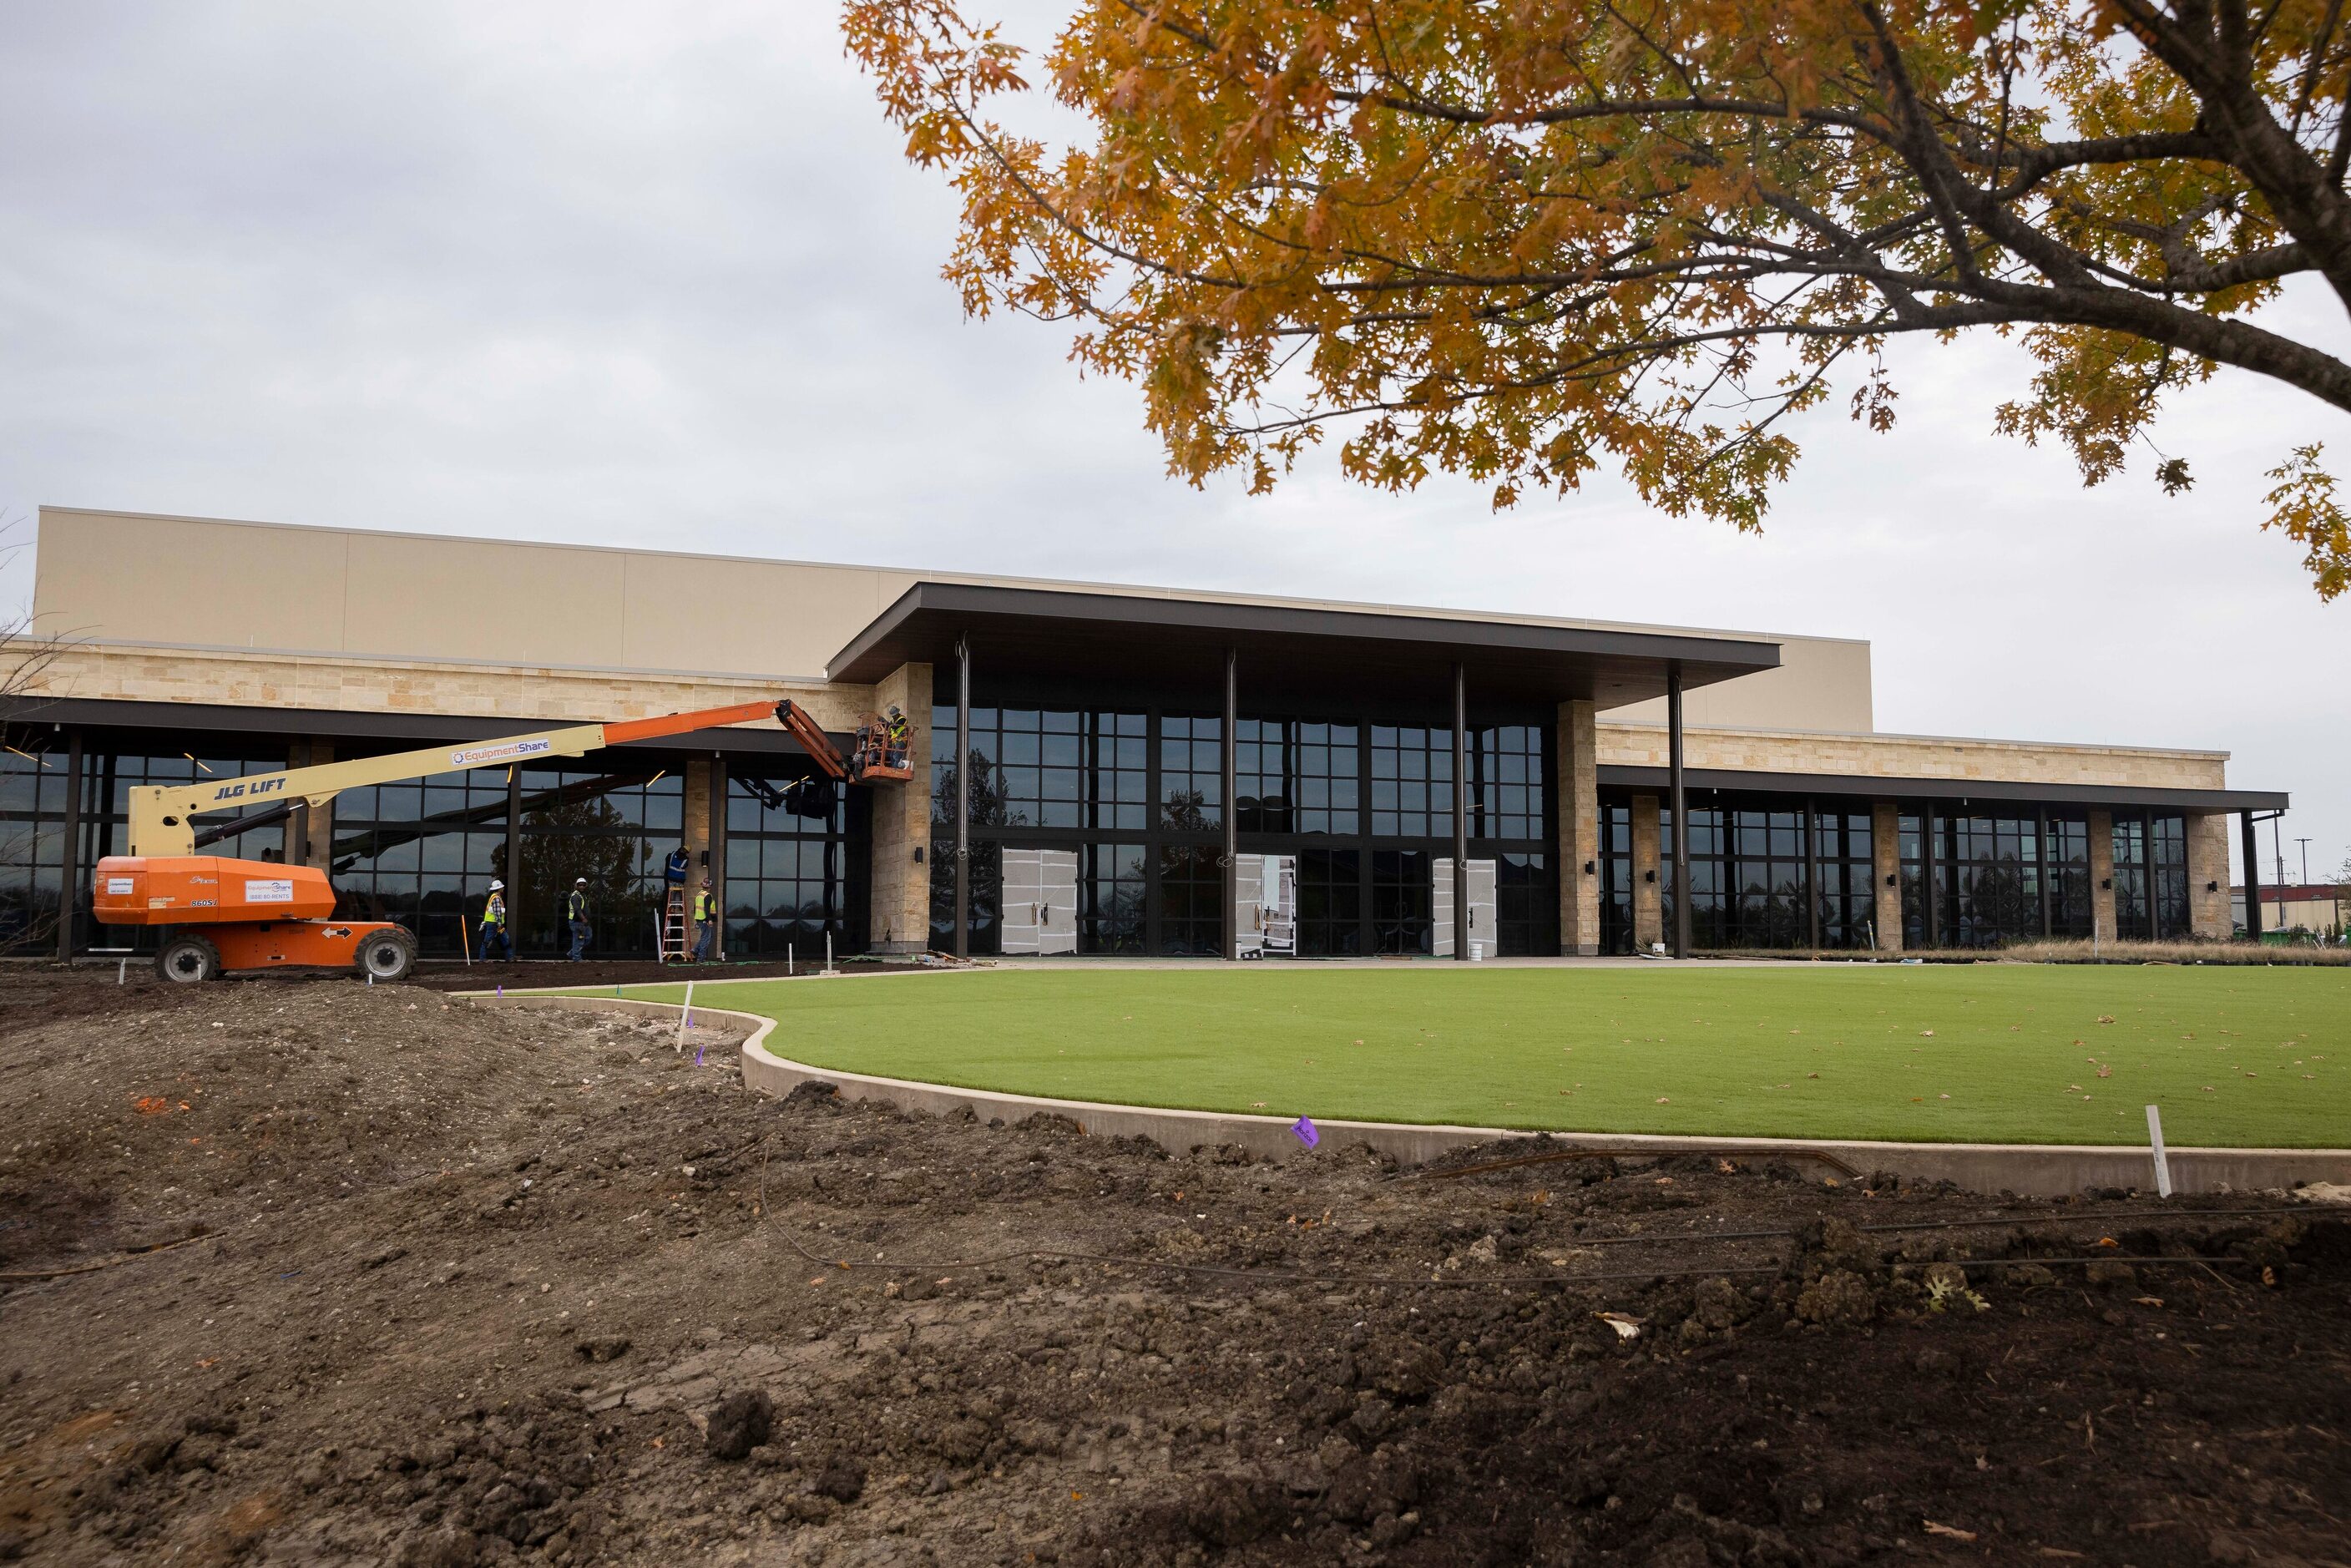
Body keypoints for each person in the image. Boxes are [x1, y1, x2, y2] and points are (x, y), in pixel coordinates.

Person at [479, 879, 512, 962]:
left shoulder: (494, 897)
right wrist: (499, 922)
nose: (503, 888)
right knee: (488, 941)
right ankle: (482, 958)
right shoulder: (496, 898)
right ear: (499, 889)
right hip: (494, 923)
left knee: (505, 938)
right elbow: (497, 911)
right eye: (502, 887)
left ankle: (510, 957)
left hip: (493, 923)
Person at [692, 877, 719, 963]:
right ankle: (701, 958)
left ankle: (695, 950)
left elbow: (695, 907)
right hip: (705, 919)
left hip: (699, 918)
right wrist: (709, 920)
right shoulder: (707, 896)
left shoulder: (699, 894)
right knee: (706, 939)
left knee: (706, 936)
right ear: (709, 887)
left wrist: (697, 919)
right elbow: (707, 909)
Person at [565, 877, 591, 961]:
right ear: (576, 886)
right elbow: (577, 909)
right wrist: (583, 918)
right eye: (580, 885)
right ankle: (577, 958)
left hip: (583, 923)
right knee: (579, 940)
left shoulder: (582, 895)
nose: (582, 886)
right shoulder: (576, 896)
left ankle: (572, 953)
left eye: (583, 885)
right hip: (577, 922)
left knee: (588, 937)